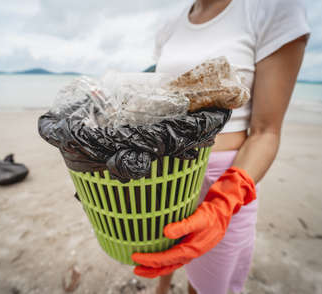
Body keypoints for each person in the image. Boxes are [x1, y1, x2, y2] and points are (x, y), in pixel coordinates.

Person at [131, 0, 311, 293]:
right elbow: (163, 101)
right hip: (165, 174)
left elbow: (265, 132)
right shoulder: (170, 26)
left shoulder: (273, 9)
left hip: (224, 181)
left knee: (207, 285)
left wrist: (224, 201)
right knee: (166, 246)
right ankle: (162, 289)